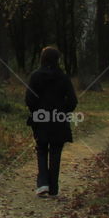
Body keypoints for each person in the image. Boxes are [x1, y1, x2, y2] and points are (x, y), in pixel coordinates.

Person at [24, 46, 78, 198]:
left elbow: (29, 99)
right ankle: (53, 188)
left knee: (41, 150)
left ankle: (42, 184)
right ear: (57, 60)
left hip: (40, 120)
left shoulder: (35, 77)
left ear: (42, 58)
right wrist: (63, 111)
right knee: (55, 152)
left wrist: (36, 112)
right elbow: (73, 101)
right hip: (58, 121)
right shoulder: (64, 77)